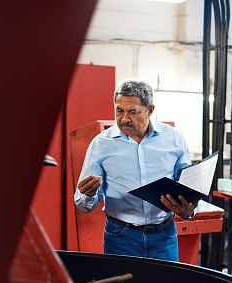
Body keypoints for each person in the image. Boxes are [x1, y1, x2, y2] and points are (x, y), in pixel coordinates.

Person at [74, 78, 199, 261]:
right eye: (119, 110)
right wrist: (88, 195)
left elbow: (189, 187)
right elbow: (84, 204)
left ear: (150, 110)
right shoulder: (101, 144)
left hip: (164, 236)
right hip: (120, 238)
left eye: (133, 111)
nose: (124, 118)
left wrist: (189, 210)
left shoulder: (174, 139)